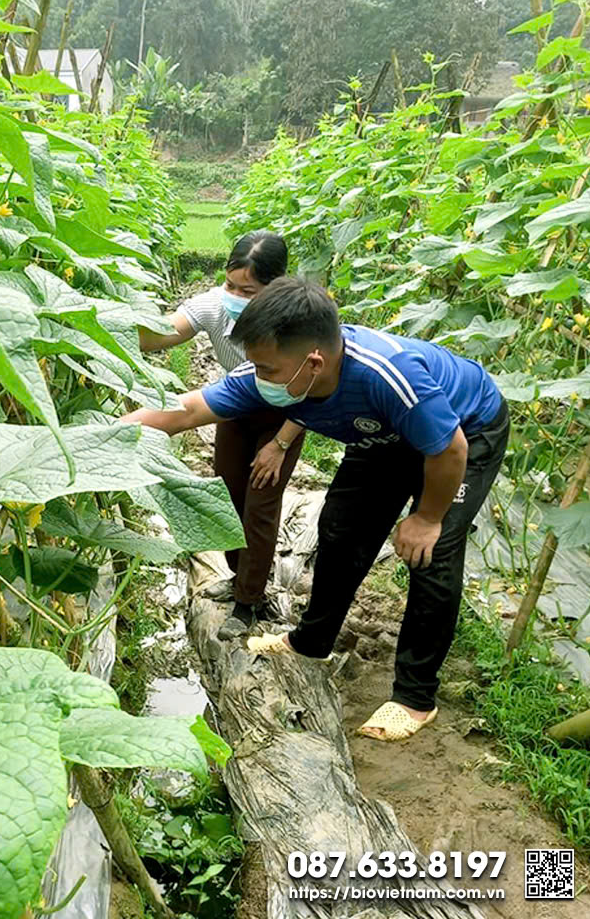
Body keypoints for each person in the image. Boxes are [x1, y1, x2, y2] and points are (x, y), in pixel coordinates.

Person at [125, 277, 509, 742]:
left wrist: (426, 517)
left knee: (430, 555)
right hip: (383, 438)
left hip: (464, 433)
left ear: (314, 362)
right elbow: (184, 412)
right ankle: (311, 642)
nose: (257, 377)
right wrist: (106, 437)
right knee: (340, 531)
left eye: (266, 367)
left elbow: (449, 449)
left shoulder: (389, 375)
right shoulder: (272, 380)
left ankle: (415, 697)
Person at [138, 231, 305, 613]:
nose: (235, 296)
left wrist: (279, 445)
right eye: (231, 284)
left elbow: (314, 392)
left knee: (261, 504)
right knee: (228, 495)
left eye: (248, 291)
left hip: (286, 413)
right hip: (236, 404)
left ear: (275, 287)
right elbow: (161, 334)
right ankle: (236, 577)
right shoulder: (215, 306)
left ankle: (249, 601)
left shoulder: (295, 319)